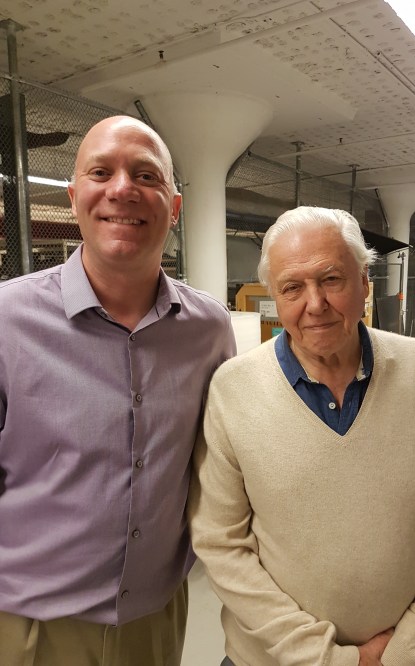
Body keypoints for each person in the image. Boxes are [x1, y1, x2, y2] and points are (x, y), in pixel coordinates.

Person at [189, 206, 415, 666]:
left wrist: (412, 642)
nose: (315, 304)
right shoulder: (233, 391)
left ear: (365, 281)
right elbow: (221, 544)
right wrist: (324, 657)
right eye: (292, 287)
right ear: (275, 296)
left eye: (331, 279)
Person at [0, 115, 235, 666]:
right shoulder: (8, 321)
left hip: (154, 623)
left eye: (146, 176)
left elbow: (221, 464)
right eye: (101, 172)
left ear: (174, 208)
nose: (122, 189)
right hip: (29, 628)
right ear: (73, 196)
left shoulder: (209, 330)